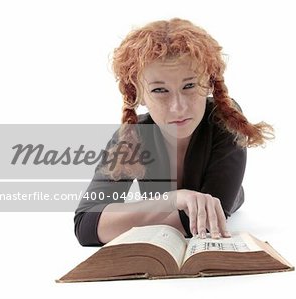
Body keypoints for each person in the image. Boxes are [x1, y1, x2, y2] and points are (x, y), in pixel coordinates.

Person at [74, 18, 273, 246]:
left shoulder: (224, 120)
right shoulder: (132, 135)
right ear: (138, 94)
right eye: (160, 90)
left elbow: (204, 221)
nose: (178, 107)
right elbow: (86, 226)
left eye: (189, 86)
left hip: (228, 197)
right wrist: (172, 200)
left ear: (208, 83)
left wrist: (121, 220)